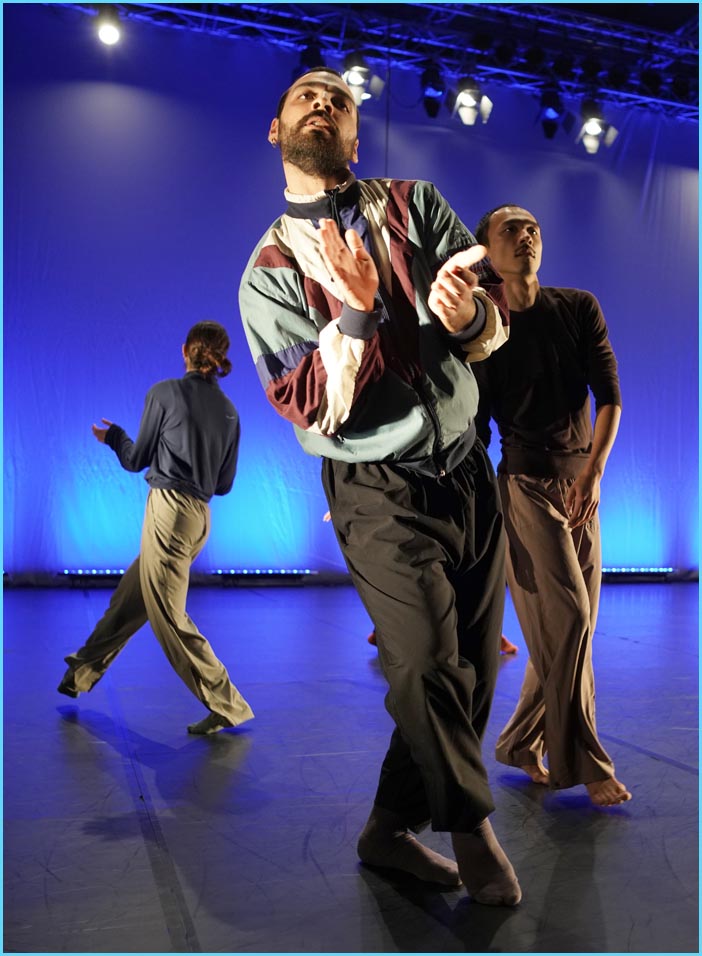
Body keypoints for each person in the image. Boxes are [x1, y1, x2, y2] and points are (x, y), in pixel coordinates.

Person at [239, 67, 521, 905]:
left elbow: (489, 320)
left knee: (475, 672)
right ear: (277, 130)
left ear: (356, 138)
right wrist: (357, 314)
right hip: (377, 487)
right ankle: (470, 828)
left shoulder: (415, 205)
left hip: (467, 467)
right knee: (426, 665)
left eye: (339, 100)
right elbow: (311, 406)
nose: (323, 104)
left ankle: (388, 828)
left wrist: (468, 315)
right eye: (305, 96)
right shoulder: (268, 270)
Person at [472, 204, 631, 806]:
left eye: (533, 227)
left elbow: (609, 396)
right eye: (511, 228)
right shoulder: (482, 327)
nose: (527, 235)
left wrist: (593, 471)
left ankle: (519, 741)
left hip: (581, 483)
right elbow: (474, 426)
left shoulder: (578, 307)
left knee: (572, 630)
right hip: (524, 485)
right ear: (488, 251)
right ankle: (586, 763)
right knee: (568, 620)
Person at [57, 321, 254, 736]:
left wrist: (114, 436)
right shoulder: (230, 412)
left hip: (169, 512)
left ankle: (228, 704)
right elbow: (223, 485)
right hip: (199, 518)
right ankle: (81, 671)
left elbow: (136, 459)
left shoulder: (164, 393)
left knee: (169, 617)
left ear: (185, 350)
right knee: (131, 600)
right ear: (220, 358)